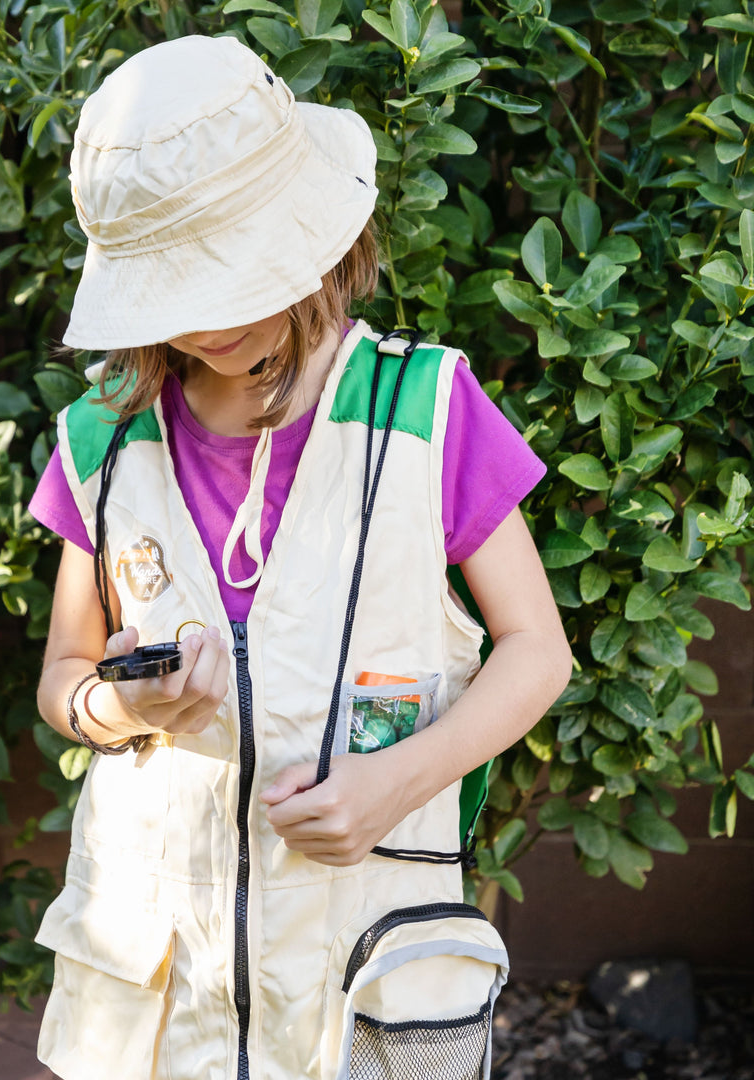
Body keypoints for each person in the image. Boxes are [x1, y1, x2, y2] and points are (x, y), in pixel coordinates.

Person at [28, 34, 572, 1080]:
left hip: (362, 970)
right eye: (182, 292)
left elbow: (536, 652)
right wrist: (123, 709)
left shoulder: (424, 409)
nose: (218, 322)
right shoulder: (100, 439)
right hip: (157, 992)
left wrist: (393, 784)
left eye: (239, 274)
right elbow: (63, 674)